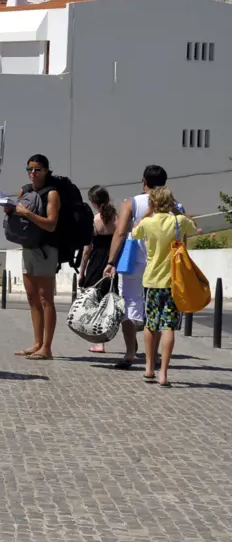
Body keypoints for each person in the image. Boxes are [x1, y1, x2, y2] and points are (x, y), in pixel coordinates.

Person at [105, 187, 196, 387]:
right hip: (173, 281)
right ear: (171, 202)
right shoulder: (178, 222)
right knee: (168, 326)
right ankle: (163, 373)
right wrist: (176, 211)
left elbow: (134, 231)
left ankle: (148, 369)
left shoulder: (148, 222)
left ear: (153, 203)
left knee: (150, 323)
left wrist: (148, 212)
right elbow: (194, 225)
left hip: (152, 280)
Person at [103, 165, 178, 370]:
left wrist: (110, 261)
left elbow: (120, 233)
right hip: (162, 263)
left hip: (134, 260)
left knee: (129, 303)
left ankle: (129, 353)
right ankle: (153, 357)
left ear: (143, 182)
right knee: (158, 309)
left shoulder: (132, 203)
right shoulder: (174, 205)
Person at [8, 155, 61, 361]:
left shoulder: (52, 194)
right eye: (29, 169)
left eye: (38, 169)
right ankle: (37, 343)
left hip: (46, 249)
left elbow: (51, 224)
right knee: (31, 297)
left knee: (45, 298)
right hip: (28, 246)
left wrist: (26, 213)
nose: (33, 173)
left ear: (47, 170)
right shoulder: (25, 191)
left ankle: (47, 347)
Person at [80, 185, 119, 353]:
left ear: (93, 202)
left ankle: (99, 343)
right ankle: (130, 341)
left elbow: (87, 249)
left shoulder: (94, 221)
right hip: (114, 262)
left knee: (97, 303)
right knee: (113, 302)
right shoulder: (117, 219)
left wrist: (81, 271)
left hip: (96, 263)